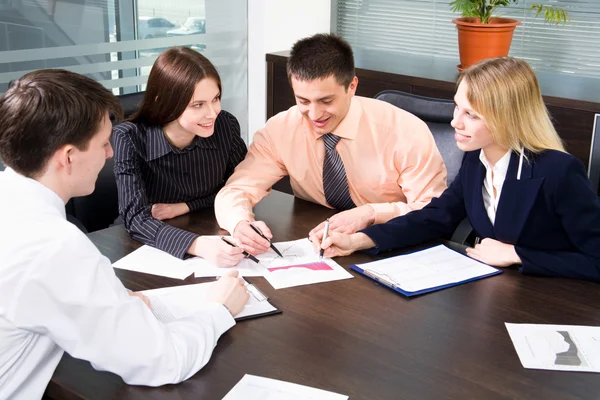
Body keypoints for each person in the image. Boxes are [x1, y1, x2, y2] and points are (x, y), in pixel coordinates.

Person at [0, 69, 250, 400]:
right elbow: (162, 362)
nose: (110, 154)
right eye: (104, 143)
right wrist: (218, 310)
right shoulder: (55, 248)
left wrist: (111, 305)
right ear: (68, 157)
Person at [311, 57, 600, 282]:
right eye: (457, 108)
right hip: (493, 297)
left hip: (552, 304)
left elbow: (596, 260)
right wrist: (358, 240)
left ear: (507, 118)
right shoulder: (476, 160)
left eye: (470, 115)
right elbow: (437, 217)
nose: (455, 123)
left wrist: (517, 254)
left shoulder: (559, 172)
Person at [215, 33, 447, 255]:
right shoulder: (281, 129)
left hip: (390, 243)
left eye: (326, 101)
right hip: (321, 243)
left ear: (352, 87)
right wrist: (240, 223)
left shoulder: (404, 132)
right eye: (303, 101)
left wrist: (370, 213)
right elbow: (237, 189)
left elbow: (433, 210)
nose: (314, 114)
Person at [113, 47, 248, 265]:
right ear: (165, 101)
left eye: (215, 99)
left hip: (210, 228)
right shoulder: (129, 137)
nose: (212, 113)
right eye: (198, 105)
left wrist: (185, 206)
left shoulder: (226, 125)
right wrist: (198, 245)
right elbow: (136, 219)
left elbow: (240, 188)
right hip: (145, 245)